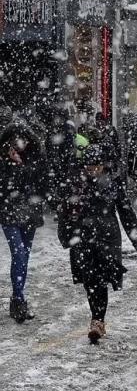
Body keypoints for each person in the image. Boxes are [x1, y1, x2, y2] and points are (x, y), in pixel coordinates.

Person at [57, 145, 137, 343]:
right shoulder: (75, 183)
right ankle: (96, 317)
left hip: (107, 237)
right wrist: (65, 235)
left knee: (101, 278)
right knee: (89, 280)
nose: (92, 170)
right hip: (83, 237)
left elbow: (125, 211)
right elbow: (64, 209)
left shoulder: (113, 182)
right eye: (88, 166)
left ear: (102, 165)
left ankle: (98, 320)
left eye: (96, 166)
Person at [0, 120, 47, 323]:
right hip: (10, 214)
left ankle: (17, 298)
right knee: (18, 253)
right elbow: (5, 188)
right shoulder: (2, 161)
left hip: (30, 214)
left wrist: (21, 166)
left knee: (24, 257)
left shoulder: (37, 158)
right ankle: (18, 299)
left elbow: (41, 185)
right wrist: (13, 166)